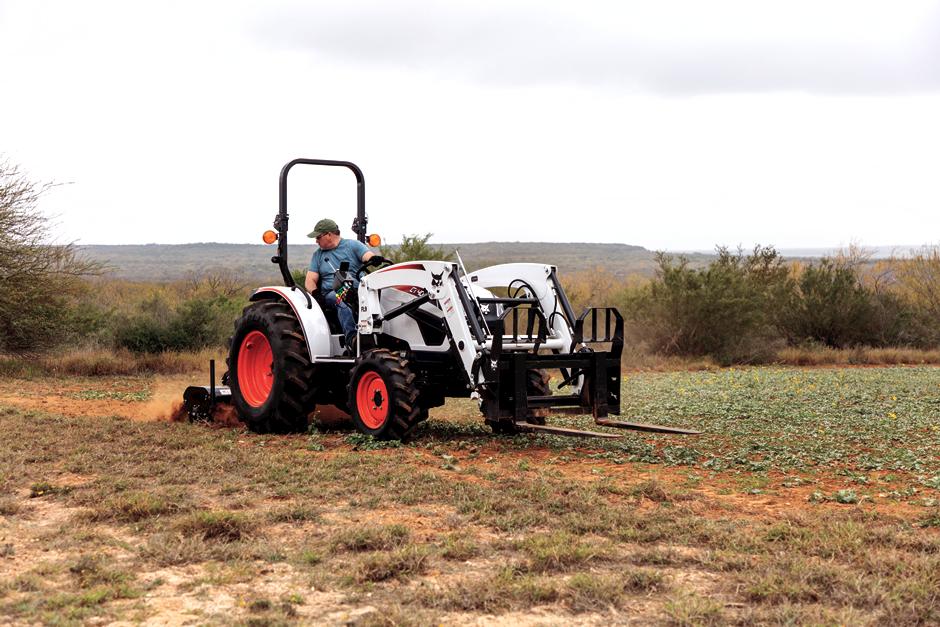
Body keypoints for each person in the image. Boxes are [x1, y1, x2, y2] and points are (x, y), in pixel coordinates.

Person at [304, 218, 375, 349]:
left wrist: (373, 259)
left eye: (318, 237)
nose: (316, 241)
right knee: (340, 299)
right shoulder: (318, 255)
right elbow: (310, 280)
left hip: (358, 290)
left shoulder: (352, 245)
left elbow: (367, 255)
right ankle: (352, 339)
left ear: (329, 234)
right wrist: (315, 293)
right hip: (334, 292)